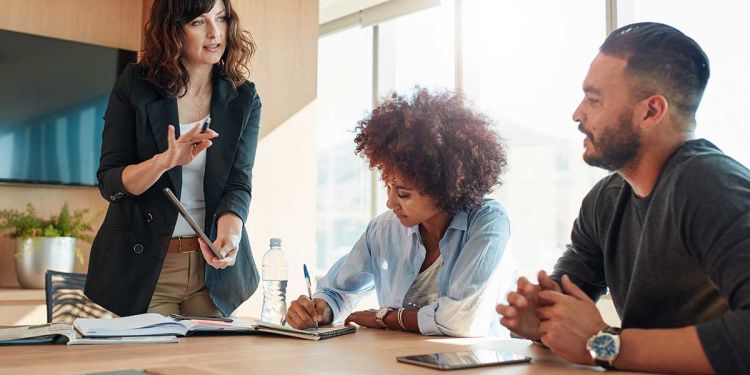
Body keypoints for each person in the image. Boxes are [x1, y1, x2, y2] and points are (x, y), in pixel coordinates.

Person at [496, 22, 750, 374]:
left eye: (594, 100)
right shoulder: (605, 200)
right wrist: (540, 319)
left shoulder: (713, 186)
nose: (577, 114)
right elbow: (565, 311)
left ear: (650, 112)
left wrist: (604, 343)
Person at [286, 88, 516, 337]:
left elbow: (461, 320)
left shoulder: (489, 223)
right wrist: (319, 309)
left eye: (404, 194)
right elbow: (336, 291)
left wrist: (386, 317)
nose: (390, 202)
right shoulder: (383, 230)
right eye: (388, 187)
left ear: (443, 189)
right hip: (398, 362)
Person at [84, 0, 262, 318]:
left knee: (212, 367)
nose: (214, 33)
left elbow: (238, 183)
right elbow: (110, 181)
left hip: (213, 274)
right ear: (173, 30)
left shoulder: (243, 96)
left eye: (221, 18)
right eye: (198, 22)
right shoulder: (135, 85)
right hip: (148, 268)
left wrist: (230, 234)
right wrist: (164, 161)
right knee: (155, 366)